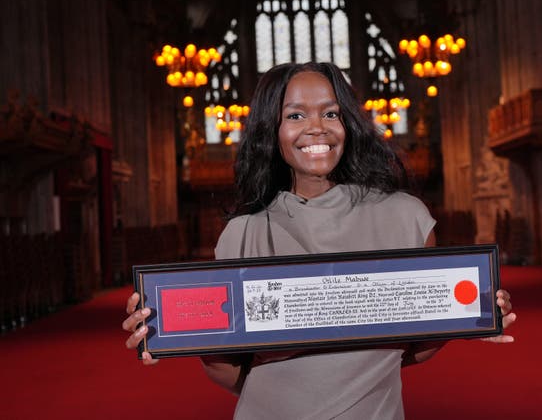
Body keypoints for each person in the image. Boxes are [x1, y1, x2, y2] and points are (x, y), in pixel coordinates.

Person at [123, 62, 516, 419]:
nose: (317, 127)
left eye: (331, 113)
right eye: (295, 115)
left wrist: (475, 312)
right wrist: (168, 329)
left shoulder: (406, 218)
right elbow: (232, 374)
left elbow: (408, 351)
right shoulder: (242, 233)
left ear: (349, 124)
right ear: (271, 130)